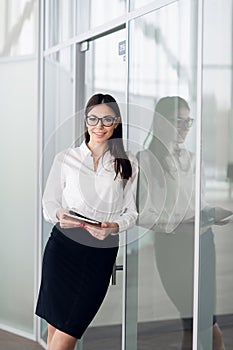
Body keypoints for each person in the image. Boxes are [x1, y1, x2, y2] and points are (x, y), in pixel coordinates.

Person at [35, 93, 138, 350]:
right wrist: (61, 215)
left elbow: (131, 213)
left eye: (106, 120)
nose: (99, 126)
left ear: (116, 123)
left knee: (68, 330)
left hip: (99, 251)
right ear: (85, 121)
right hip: (63, 247)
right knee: (55, 328)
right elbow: (49, 203)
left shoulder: (128, 163)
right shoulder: (66, 158)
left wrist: (114, 227)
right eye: (93, 118)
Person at [137, 96, 230, 349]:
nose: (185, 127)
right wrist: (180, 226)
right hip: (173, 248)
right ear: (161, 122)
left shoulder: (193, 158)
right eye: (178, 121)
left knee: (199, 320)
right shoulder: (145, 161)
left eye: (187, 121)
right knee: (198, 319)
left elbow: (198, 205)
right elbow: (144, 213)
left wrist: (213, 212)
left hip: (203, 243)